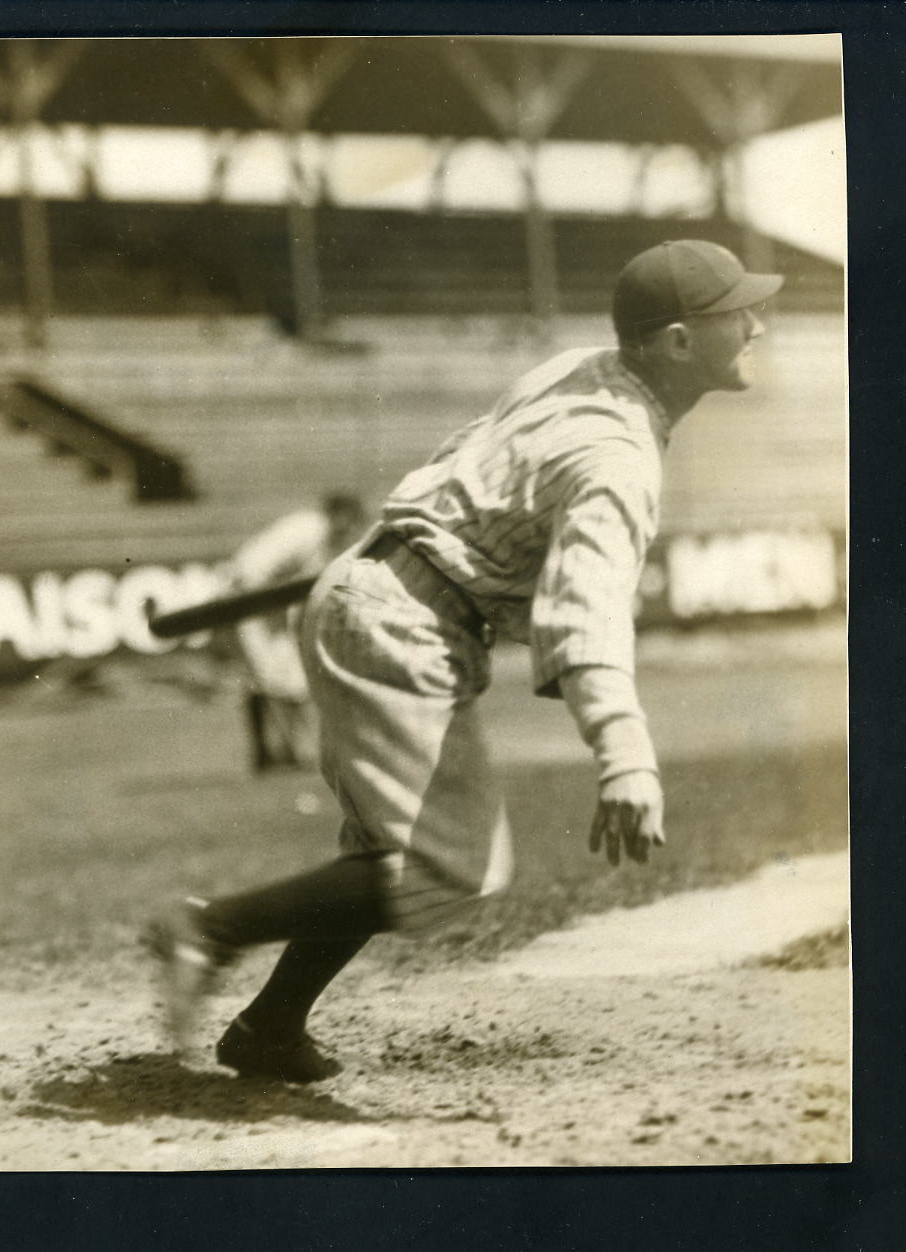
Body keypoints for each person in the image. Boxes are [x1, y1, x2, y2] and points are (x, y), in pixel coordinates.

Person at [146, 239, 783, 1083]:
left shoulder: (577, 369)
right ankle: (208, 930)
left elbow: (467, 464)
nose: (759, 326)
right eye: (736, 313)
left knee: (386, 848)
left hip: (379, 588)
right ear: (674, 341)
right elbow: (584, 616)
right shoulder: (619, 460)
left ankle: (269, 1028)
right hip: (402, 617)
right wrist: (625, 753)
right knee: (453, 869)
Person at [223, 494, 366, 771]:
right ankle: (266, 753)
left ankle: (286, 751)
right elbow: (254, 567)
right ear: (339, 514)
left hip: (270, 607)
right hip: (249, 598)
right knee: (267, 675)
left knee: (286, 677)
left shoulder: (322, 537)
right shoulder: (309, 529)